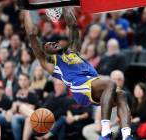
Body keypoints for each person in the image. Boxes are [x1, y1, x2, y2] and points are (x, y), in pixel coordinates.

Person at [24, 8, 132, 140]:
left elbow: (73, 26)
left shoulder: (72, 51)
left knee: (121, 94)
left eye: (54, 42)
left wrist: (65, 6)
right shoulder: (52, 65)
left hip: (93, 83)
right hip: (79, 87)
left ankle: (127, 136)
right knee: (110, 82)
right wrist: (26, 11)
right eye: (48, 44)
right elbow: (32, 35)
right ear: (46, 52)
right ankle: (105, 132)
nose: (53, 43)